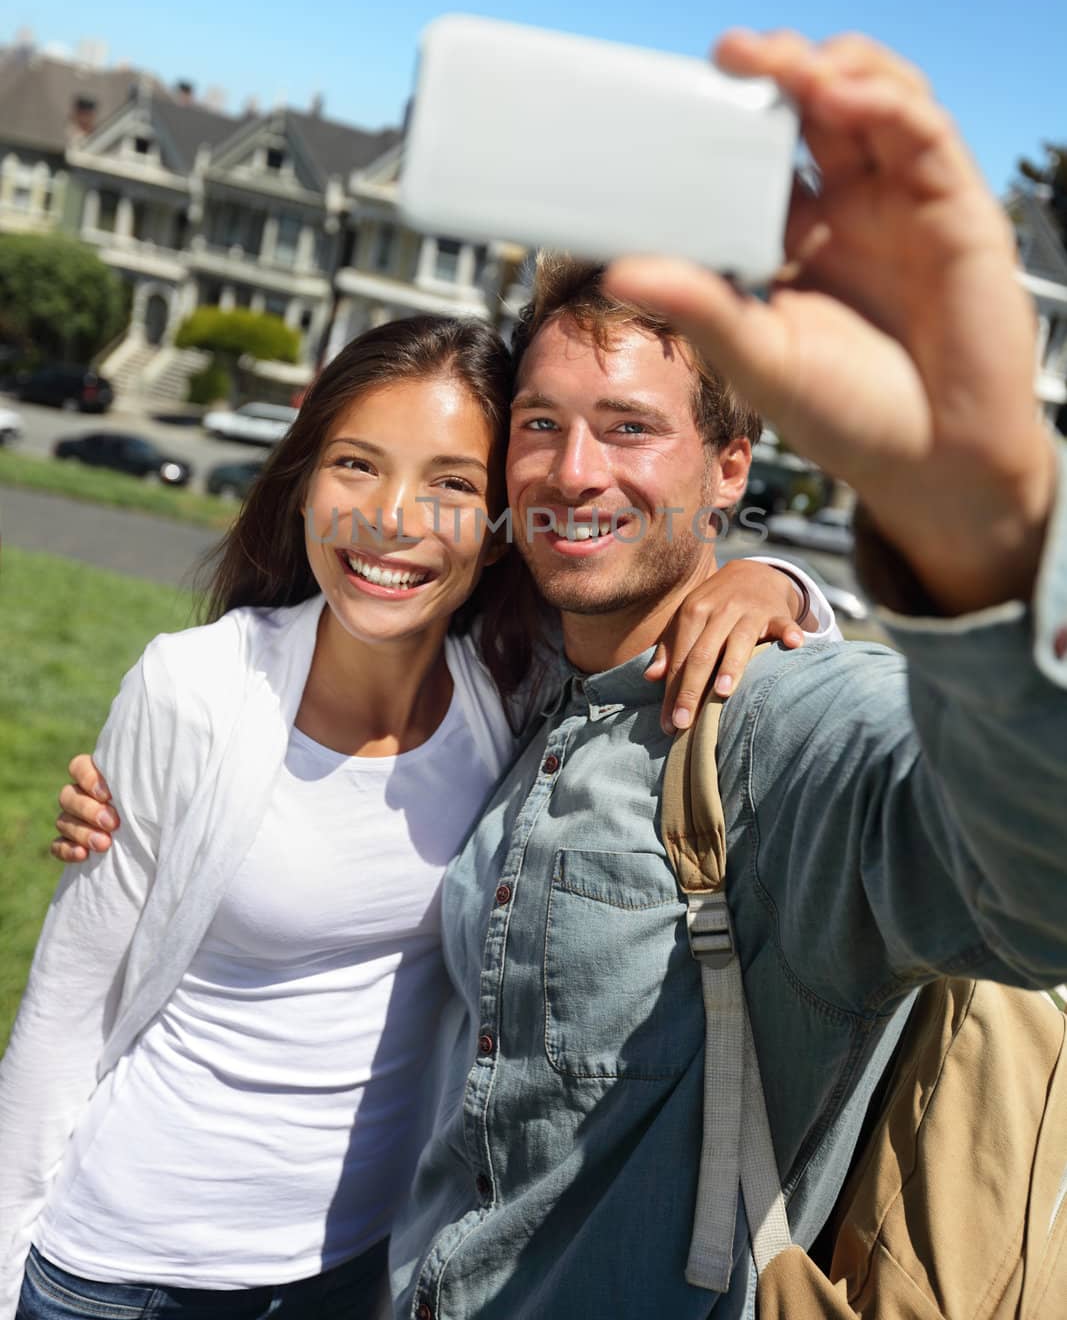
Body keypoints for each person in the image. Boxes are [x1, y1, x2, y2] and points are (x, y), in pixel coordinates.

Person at [36, 26, 1066, 1320]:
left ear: (730, 470)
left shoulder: (770, 723)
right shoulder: (524, 679)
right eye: (540, 426)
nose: (573, 472)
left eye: (629, 428)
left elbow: (1028, 889)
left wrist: (984, 533)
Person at [0, 313, 831, 1320]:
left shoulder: (510, 695)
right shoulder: (198, 687)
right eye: (356, 464)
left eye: (449, 483)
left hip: (355, 1274)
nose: (390, 517)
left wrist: (774, 577)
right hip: (126, 1271)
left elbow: (654, 595)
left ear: (494, 529)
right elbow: (61, 1016)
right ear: (306, 478)